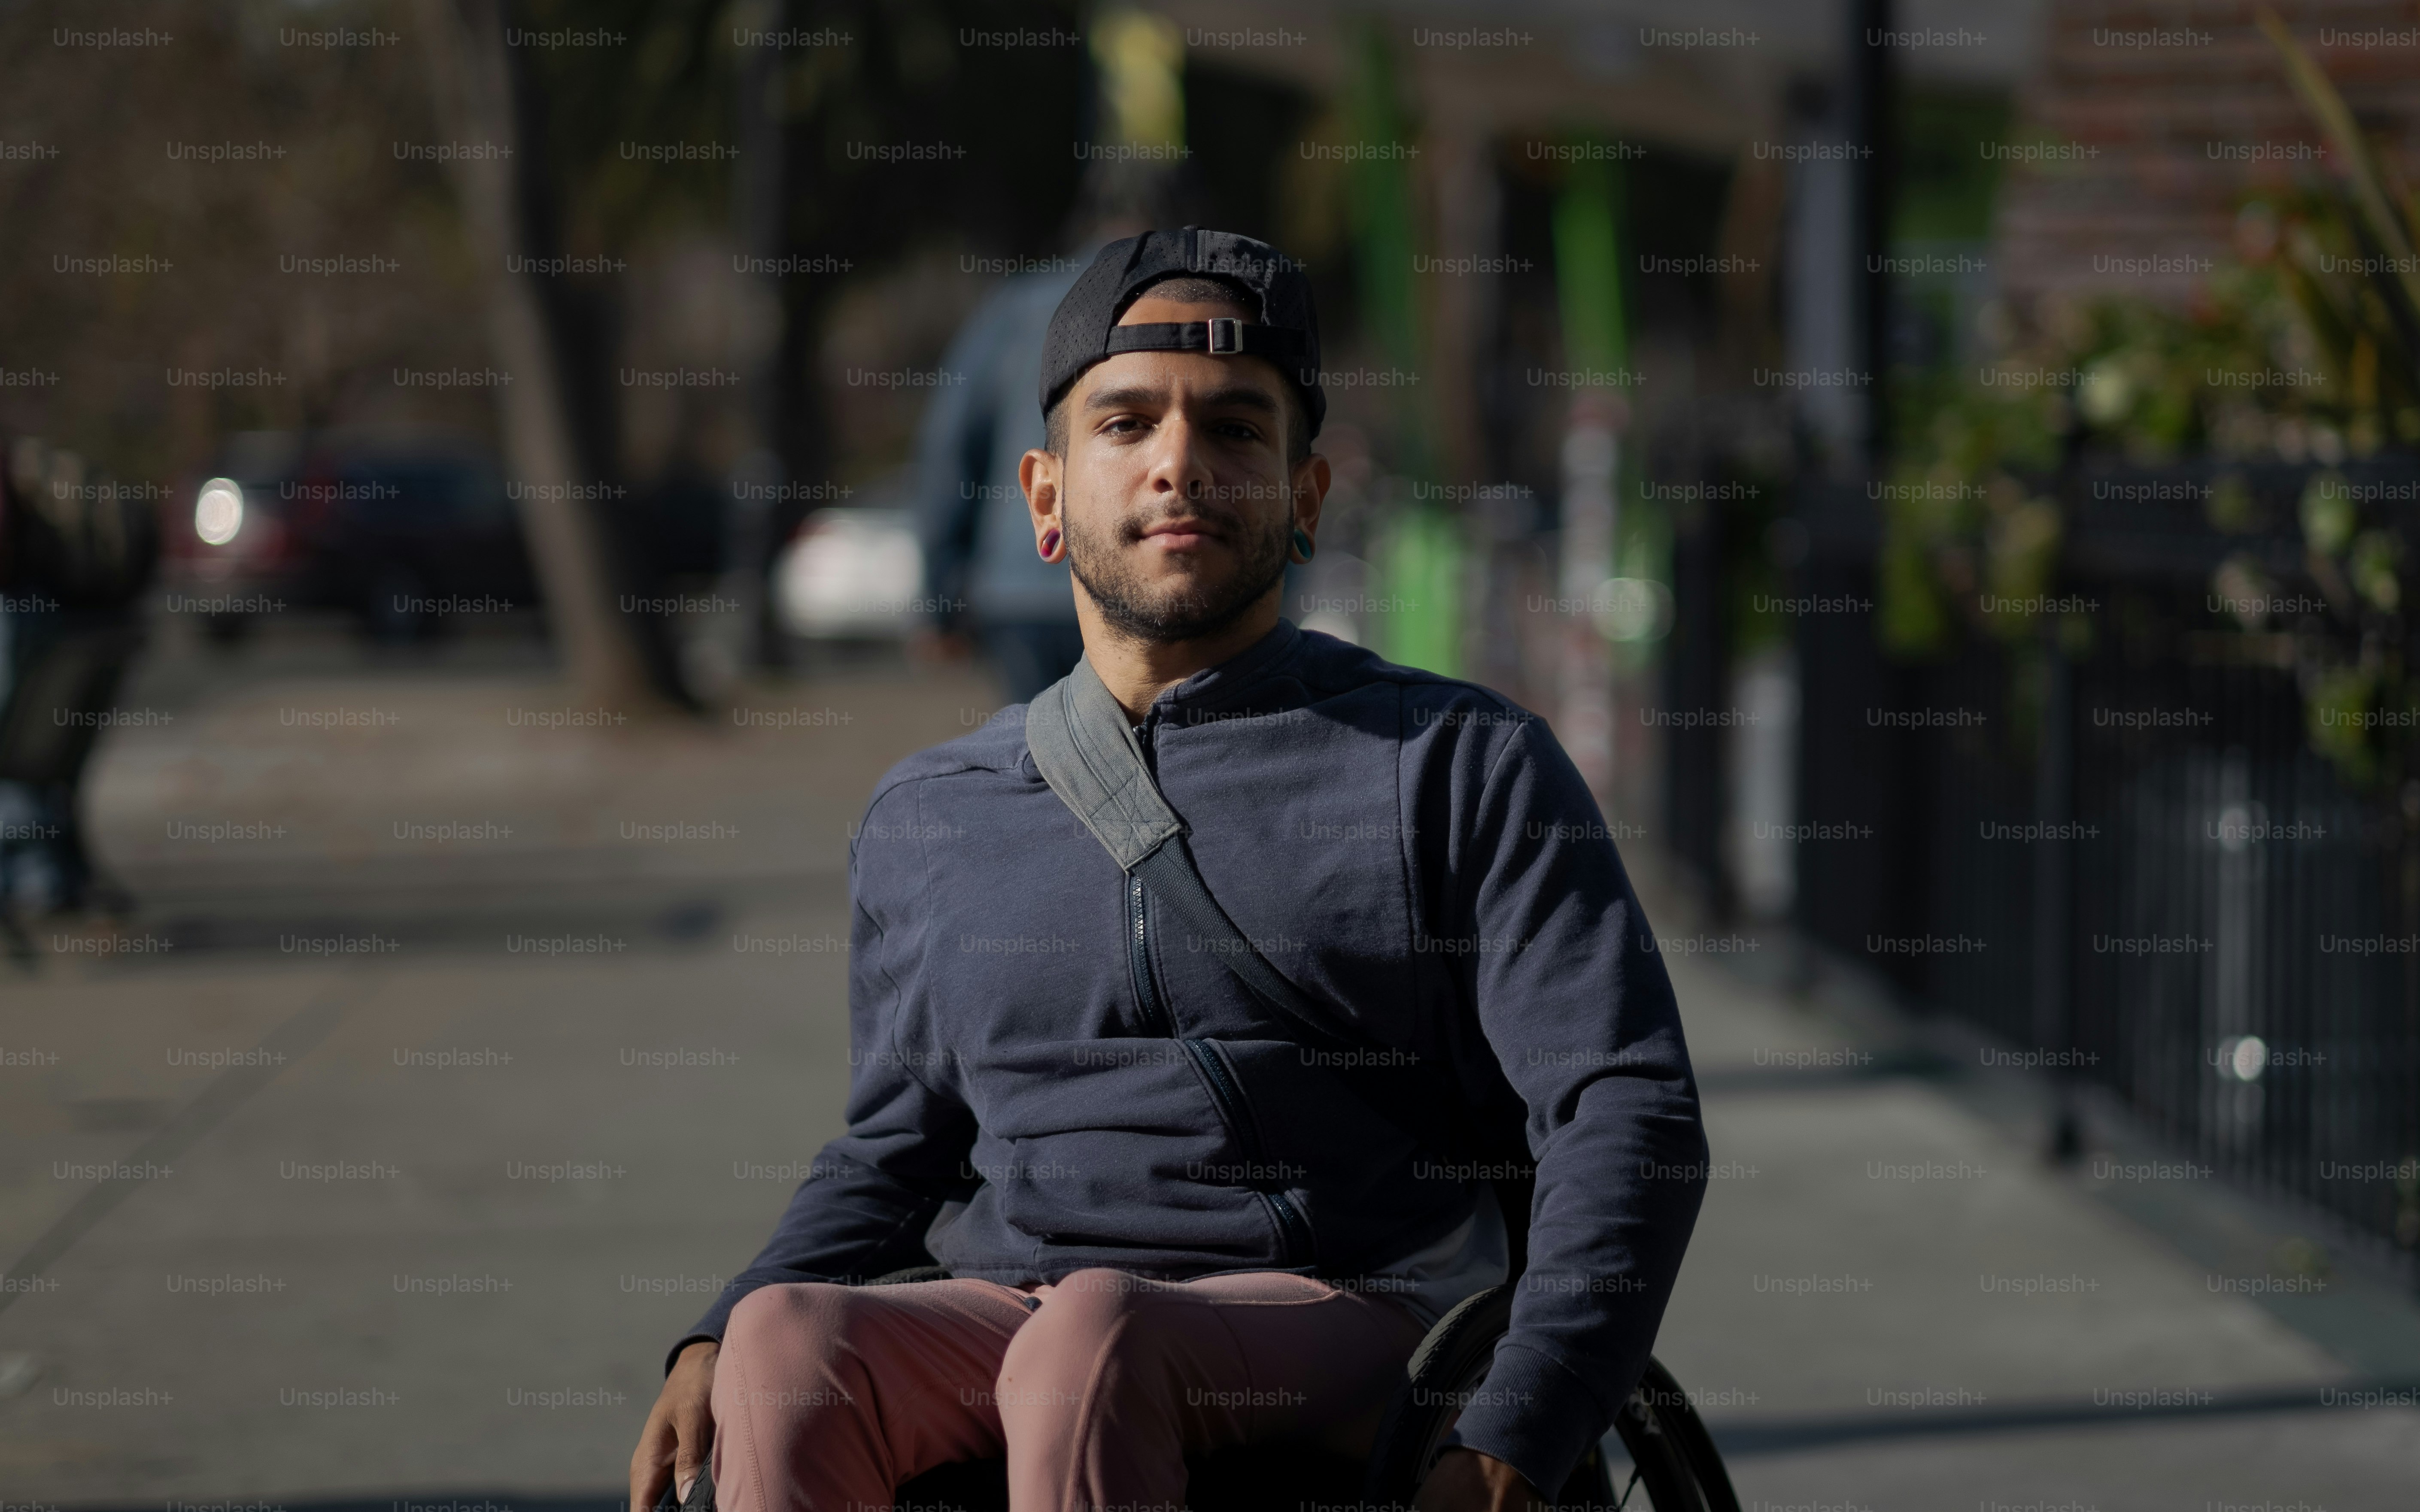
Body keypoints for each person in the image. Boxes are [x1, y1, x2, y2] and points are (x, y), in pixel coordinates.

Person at [629, 229, 1709, 1512]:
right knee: (791, 1350)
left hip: (1363, 1317)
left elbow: (1626, 1113)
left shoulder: (1460, 764)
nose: (1179, 463)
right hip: (1018, 1312)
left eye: (1238, 429)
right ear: (1044, 497)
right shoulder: (934, 813)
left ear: (1306, 499)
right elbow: (892, 1145)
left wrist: (1520, 1425)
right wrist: (720, 1323)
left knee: (1096, 1339)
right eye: (1127, 421)